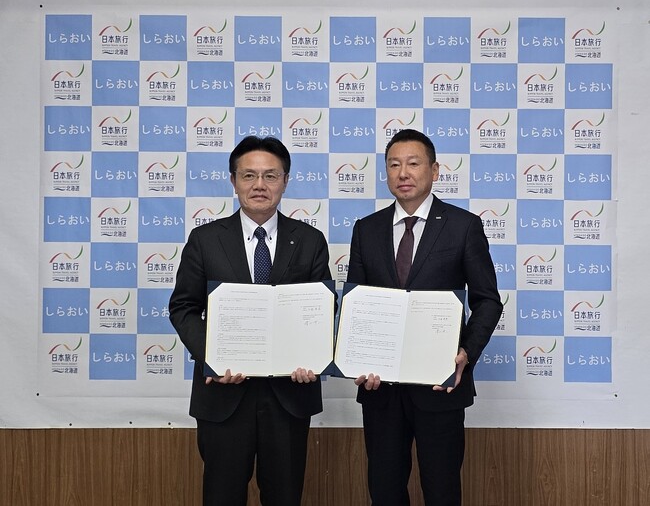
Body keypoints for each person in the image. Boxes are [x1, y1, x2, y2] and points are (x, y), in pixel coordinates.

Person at [169, 135, 332, 506]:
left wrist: (312, 356)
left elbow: (322, 310)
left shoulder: (310, 241)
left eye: (270, 176)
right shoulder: (205, 239)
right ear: (234, 181)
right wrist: (212, 358)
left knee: (285, 496)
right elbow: (183, 307)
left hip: (289, 396)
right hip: (224, 396)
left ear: (285, 181)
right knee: (222, 496)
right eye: (249, 175)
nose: (260, 185)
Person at [347, 128, 503, 506]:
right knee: (384, 490)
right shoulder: (366, 230)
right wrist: (356, 358)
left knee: (442, 490)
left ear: (434, 170)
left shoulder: (463, 226)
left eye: (413, 163)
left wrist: (466, 353)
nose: (403, 173)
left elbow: (487, 300)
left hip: (440, 385)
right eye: (394, 165)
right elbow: (356, 305)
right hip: (381, 388)